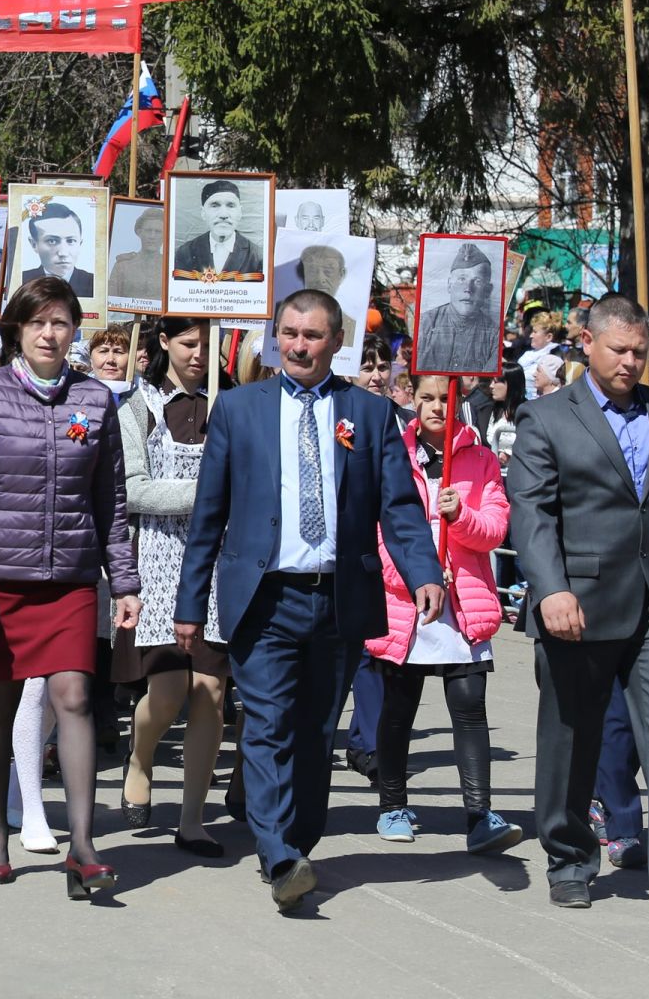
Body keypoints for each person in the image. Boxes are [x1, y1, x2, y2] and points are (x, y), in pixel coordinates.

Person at [175, 288, 444, 913]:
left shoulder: (370, 415)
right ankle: (277, 852)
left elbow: (399, 506)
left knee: (317, 732)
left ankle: (296, 841)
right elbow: (208, 516)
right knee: (267, 725)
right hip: (263, 599)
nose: (298, 345)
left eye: (313, 335)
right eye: (289, 333)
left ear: (336, 342)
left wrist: (424, 570)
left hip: (338, 598)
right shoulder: (239, 410)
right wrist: (190, 604)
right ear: (275, 337)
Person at [506, 293, 649, 916]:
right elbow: (531, 514)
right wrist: (551, 589)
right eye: (620, 351)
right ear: (587, 342)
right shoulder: (546, 417)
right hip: (577, 605)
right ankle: (569, 856)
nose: (634, 363)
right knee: (572, 739)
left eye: (641, 352)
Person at [0, 276, 142, 897]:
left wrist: (126, 580)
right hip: (0, 581)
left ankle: (82, 846)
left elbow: (110, 500)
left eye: (61, 322)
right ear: (17, 330)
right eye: (38, 323)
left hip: (73, 580)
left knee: (75, 699)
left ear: (74, 330)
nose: (50, 334)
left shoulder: (95, 399)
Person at [367, 374, 522, 853]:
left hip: (464, 601)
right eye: (427, 398)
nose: (436, 407)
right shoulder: (392, 452)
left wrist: (462, 518)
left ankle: (479, 814)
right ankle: (392, 804)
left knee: (470, 706)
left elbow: (496, 528)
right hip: (406, 604)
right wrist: (415, 579)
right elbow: (379, 529)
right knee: (398, 709)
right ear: (412, 398)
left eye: (446, 399)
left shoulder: (480, 457)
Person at [115, 316, 229, 857]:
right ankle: (140, 757)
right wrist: (205, 494)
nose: (199, 354)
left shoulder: (230, 405)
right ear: (164, 343)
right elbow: (133, 489)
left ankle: (192, 818)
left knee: (210, 690)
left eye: (209, 344)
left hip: (220, 563)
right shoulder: (136, 409)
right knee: (167, 691)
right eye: (189, 343)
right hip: (159, 559)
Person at [415, 242, 499, 374]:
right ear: (449, 285)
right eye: (461, 279)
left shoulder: (493, 335)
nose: (468, 289)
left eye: (477, 281)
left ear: (487, 290)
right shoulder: (426, 323)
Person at [173, 178, 263, 278]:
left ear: (240, 212)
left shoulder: (257, 256)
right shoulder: (185, 253)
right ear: (203, 213)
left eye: (231, 205)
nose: (223, 215)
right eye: (215, 205)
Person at [18, 202, 93, 295]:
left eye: (70, 241)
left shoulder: (93, 284)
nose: (63, 253)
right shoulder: (20, 281)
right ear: (34, 244)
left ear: (80, 243)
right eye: (52, 241)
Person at [106, 207, 164, 303]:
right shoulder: (122, 265)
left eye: (158, 232)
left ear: (165, 235)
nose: (152, 236)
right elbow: (111, 301)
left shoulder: (170, 268)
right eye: (148, 230)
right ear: (139, 232)